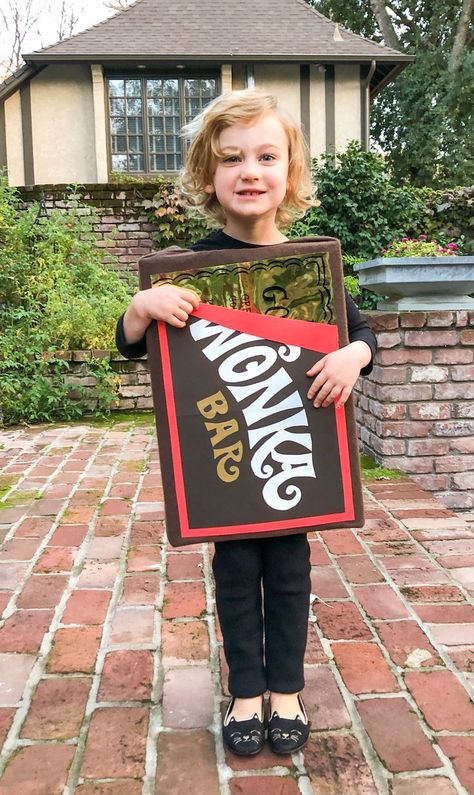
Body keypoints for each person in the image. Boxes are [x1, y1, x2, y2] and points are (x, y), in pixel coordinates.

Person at [116, 90, 376, 757]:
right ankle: (247, 688)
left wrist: (354, 353)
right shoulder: (190, 268)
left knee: (290, 571)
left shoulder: (309, 269)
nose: (249, 170)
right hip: (227, 471)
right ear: (208, 174)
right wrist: (144, 305)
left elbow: (363, 333)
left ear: (290, 172)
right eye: (232, 158)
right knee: (235, 573)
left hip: (290, 464)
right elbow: (132, 340)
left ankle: (286, 687)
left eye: (266, 155)